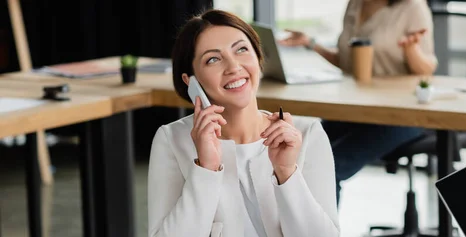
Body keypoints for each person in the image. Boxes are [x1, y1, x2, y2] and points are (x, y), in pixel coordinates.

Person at [147, 9, 339, 237]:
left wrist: (286, 172)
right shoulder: (172, 140)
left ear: (258, 59)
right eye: (213, 59)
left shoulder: (306, 134)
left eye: (241, 50)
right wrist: (206, 169)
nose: (234, 67)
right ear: (191, 81)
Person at [278, 0, 437, 205]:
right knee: (302, 154)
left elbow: (427, 69)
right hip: (357, 110)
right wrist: (311, 43)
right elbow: (347, 61)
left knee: (327, 166)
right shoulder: (355, 4)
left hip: (401, 115)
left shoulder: (412, 7)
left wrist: (411, 50)